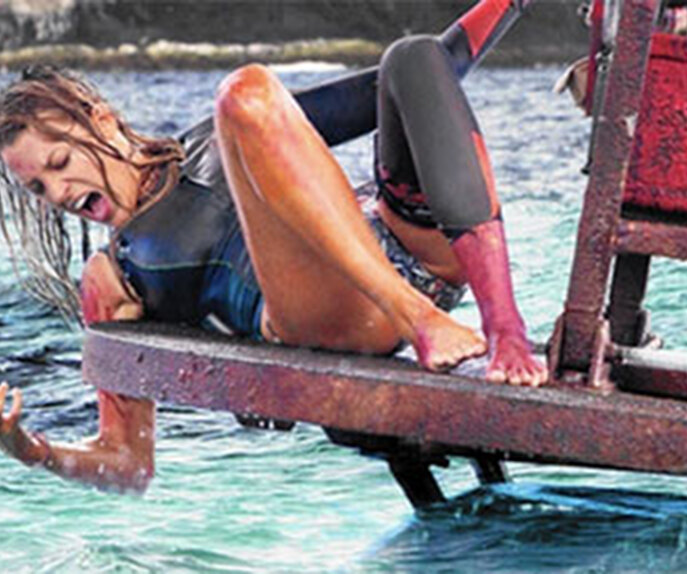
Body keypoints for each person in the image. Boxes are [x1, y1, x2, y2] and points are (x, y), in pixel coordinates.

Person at [0, 0, 547, 493]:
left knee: (412, 57)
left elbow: (433, 71)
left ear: (99, 119)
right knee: (243, 92)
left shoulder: (218, 138)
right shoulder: (113, 274)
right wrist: (29, 449)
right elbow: (126, 463)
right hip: (338, 316)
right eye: (38, 189)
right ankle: (418, 317)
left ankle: (505, 329)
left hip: (419, 253)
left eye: (59, 163)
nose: (59, 193)